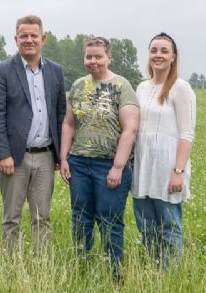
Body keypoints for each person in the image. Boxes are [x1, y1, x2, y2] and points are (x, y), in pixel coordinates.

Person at [59, 36, 139, 278]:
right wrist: (64, 158)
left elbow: (130, 128)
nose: (92, 61)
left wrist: (118, 166)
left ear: (109, 57)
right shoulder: (78, 86)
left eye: (98, 56)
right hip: (79, 164)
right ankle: (81, 269)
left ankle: (114, 274)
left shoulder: (121, 86)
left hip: (109, 165)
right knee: (80, 218)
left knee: (110, 220)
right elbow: (69, 124)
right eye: (88, 56)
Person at [0, 15, 66, 251]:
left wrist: (59, 155)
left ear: (43, 38)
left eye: (34, 35)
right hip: (14, 157)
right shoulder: (2, 70)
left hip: (45, 156)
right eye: (24, 36)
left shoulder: (55, 71)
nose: (29, 40)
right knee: (11, 217)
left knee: (42, 217)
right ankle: (13, 265)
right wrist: (3, 154)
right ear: (16, 39)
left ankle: (41, 265)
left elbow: (60, 113)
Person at [132, 32, 196, 265]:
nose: (158, 55)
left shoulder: (181, 88)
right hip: (143, 165)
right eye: (154, 51)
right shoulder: (141, 87)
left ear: (173, 57)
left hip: (168, 166)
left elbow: (187, 133)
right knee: (146, 226)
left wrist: (178, 171)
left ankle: (168, 278)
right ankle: (152, 273)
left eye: (164, 51)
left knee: (169, 225)